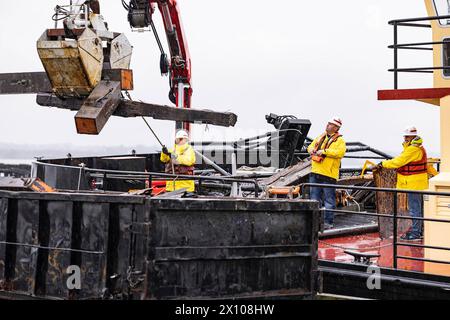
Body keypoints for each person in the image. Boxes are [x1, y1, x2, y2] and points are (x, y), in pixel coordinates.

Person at [372, 126, 429, 241]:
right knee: (416, 207)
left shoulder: (413, 149)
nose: (405, 138)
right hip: (416, 183)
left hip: (414, 184)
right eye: (405, 136)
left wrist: (382, 164)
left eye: (407, 136)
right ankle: (418, 230)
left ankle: (416, 233)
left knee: (414, 208)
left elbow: (398, 161)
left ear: (412, 137)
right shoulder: (417, 148)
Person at [307, 117, 347, 229]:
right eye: (328, 123)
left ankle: (328, 223)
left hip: (328, 174)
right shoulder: (321, 136)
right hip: (315, 172)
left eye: (330, 124)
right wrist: (311, 150)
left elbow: (340, 153)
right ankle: (315, 222)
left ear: (336, 128)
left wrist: (324, 152)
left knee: (329, 200)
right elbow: (310, 146)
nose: (327, 125)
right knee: (314, 199)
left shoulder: (340, 141)